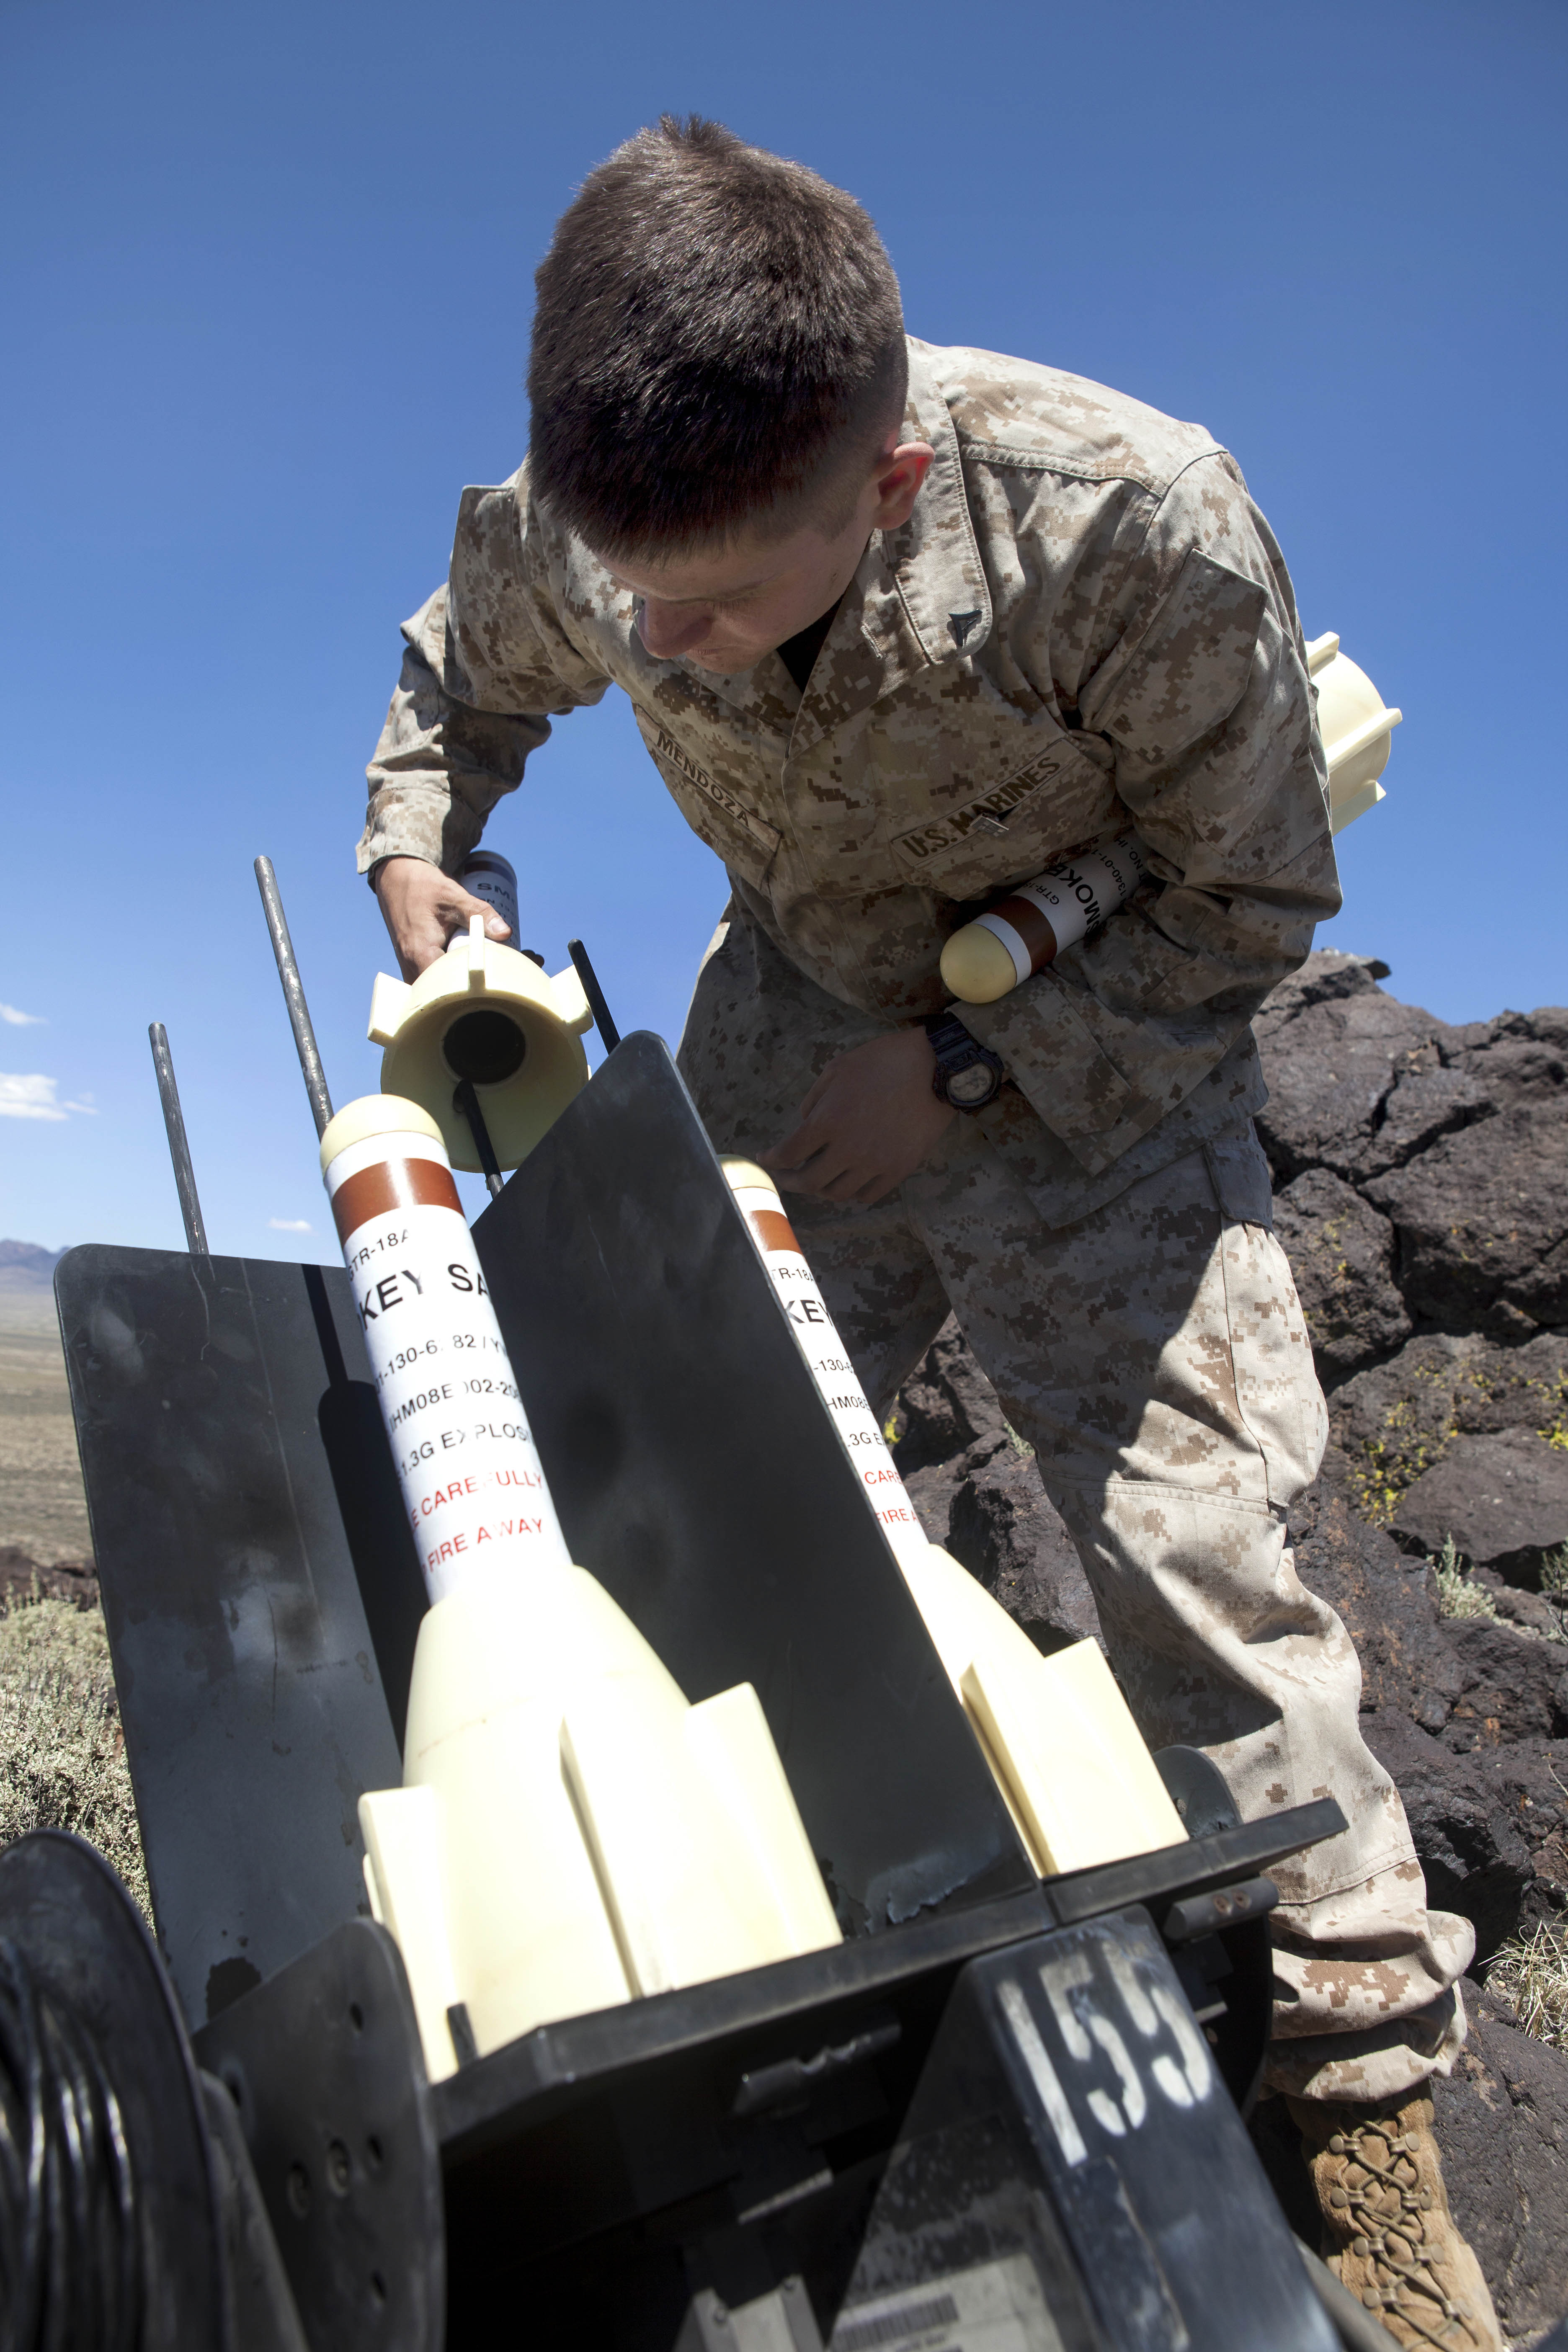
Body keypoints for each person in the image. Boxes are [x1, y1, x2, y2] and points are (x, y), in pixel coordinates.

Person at [361, 116, 1497, 2348]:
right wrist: (422, 843)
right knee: (678, 1480)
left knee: (1199, 1570)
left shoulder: (1127, 528)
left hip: (1096, 1069)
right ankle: (776, 1945)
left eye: (710, 606)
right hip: (788, 1021)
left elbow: (1249, 903)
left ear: (878, 491)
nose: (650, 642)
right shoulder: (597, 531)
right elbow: (454, 674)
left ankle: (1363, 2122)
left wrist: (970, 1068)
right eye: (626, 592)